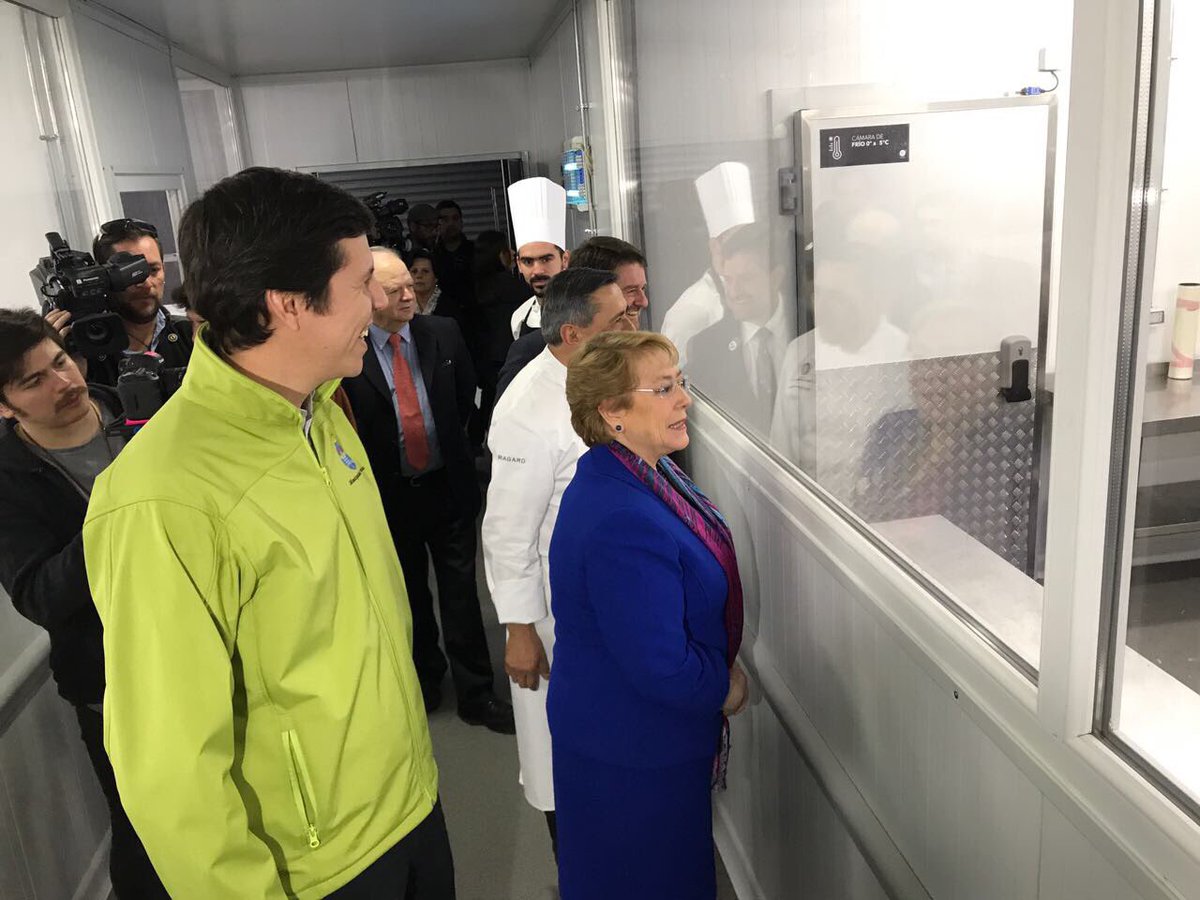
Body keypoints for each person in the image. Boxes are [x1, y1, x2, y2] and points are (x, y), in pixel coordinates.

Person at [83, 167, 453, 898]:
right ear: (288, 304)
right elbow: (170, 767)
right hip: (312, 869)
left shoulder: (323, 417)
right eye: (359, 284)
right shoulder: (164, 496)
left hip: (408, 806)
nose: (379, 300)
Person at [549, 330, 749, 899]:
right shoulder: (623, 516)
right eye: (663, 389)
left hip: (626, 735)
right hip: (632, 752)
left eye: (679, 382)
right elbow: (661, 665)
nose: (684, 399)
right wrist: (724, 686)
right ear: (611, 411)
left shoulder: (635, 475)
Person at [0, 309, 168, 898]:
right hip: (113, 685)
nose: (64, 382)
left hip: (215, 645)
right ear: (5, 406)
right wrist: (117, 514)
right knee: (146, 837)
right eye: (34, 381)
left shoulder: (140, 408)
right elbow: (40, 594)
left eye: (61, 361)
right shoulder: (9, 478)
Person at [482, 268, 634, 857]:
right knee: (560, 764)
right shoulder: (526, 409)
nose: (632, 324)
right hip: (552, 616)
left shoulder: (608, 377)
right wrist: (519, 629)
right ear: (573, 334)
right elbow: (507, 532)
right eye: (618, 318)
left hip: (607, 603)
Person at [342, 247, 514, 733]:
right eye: (393, 289)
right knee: (408, 593)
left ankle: (477, 692)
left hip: (447, 485)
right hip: (388, 494)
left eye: (411, 285)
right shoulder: (349, 350)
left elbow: (468, 396)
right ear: (369, 295)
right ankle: (425, 680)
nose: (409, 296)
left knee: (461, 594)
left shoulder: (443, 332)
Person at [497, 236, 651, 401]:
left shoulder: (636, 347)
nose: (644, 301)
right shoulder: (533, 352)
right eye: (630, 290)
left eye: (642, 288)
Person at [686, 222, 789, 434]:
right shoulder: (707, 347)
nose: (733, 292)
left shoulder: (812, 329)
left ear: (776, 278)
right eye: (728, 280)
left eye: (746, 278)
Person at [660, 162, 755, 367]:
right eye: (736, 244)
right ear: (715, 247)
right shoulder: (688, 312)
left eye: (752, 242)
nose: (746, 252)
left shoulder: (764, 294)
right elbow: (671, 379)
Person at [83, 217, 194, 385]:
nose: (146, 283)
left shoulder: (192, 335)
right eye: (130, 273)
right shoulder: (88, 355)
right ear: (104, 277)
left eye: (153, 270)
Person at [472, 229, 529, 443]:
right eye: (508, 249)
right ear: (500, 254)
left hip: (485, 356)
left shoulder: (476, 284)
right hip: (509, 353)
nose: (513, 253)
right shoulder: (512, 286)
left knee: (491, 404)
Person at [506, 177, 570, 340]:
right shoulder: (519, 318)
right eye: (528, 262)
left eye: (546, 259)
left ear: (564, 259)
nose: (538, 271)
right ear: (518, 264)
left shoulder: (589, 311)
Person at [433, 200, 475, 307]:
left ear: (461, 222)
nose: (451, 224)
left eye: (455, 218)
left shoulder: (475, 251)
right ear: (437, 224)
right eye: (445, 219)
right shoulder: (432, 255)